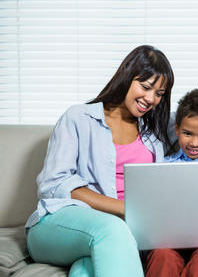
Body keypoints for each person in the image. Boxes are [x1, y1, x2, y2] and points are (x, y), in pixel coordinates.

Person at [25, 45, 176, 277]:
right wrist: (128, 210)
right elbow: (54, 184)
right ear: (127, 77)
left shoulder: (154, 127)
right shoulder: (79, 117)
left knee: (86, 270)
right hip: (59, 224)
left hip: (121, 233)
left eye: (159, 93)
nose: (150, 98)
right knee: (112, 229)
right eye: (145, 87)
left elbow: (197, 116)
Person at [145, 88, 198, 277]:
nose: (194, 143)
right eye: (187, 133)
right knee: (162, 256)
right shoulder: (163, 165)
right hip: (168, 240)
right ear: (176, 129)